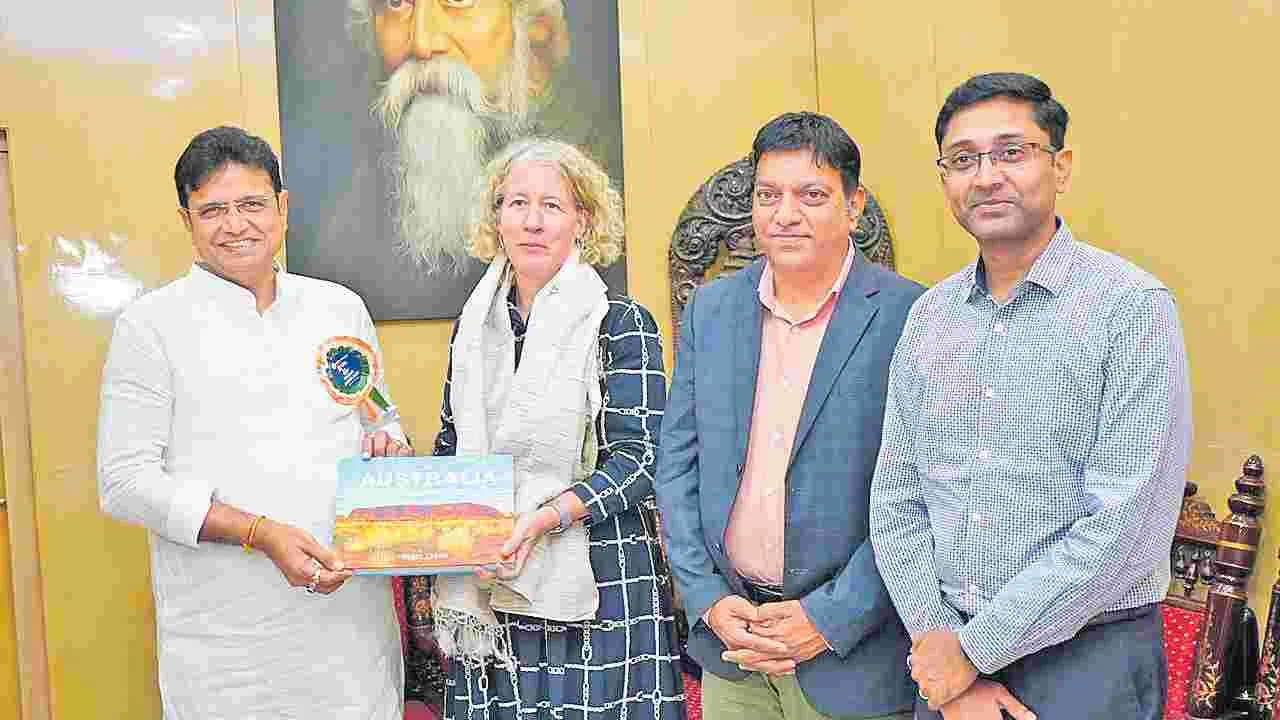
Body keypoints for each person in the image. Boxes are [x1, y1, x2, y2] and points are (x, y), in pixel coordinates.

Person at [870, 72, 1190, 720]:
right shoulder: (929, 318)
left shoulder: (1130, 309)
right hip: (944, 654)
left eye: (1011, 152)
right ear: (945, 180)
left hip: (1088, 661)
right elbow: (896, 502)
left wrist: (973, 651)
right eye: (964, 159)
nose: (986, 176)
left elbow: (1123, 522)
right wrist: (942, 649)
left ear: (1061, 166)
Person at [96, 126, 411, 719]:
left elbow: (381, 419)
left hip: (350, 636)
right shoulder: (150, 326)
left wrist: (390, 448)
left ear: (282, 208)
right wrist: (259, 532)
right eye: (213, 209)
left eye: (251, 204)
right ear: (187, 220)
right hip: (227, 645)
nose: (235, 224)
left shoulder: (339, 308)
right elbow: (125, 483)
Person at [655, 111, 925, 720]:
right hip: (735, 645)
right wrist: (706, 599)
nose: (785, 214)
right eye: (768, 195)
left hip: (852, 656)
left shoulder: (911, 315)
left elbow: (924, 498)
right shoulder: (711, 310)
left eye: (811, 195)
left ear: (853, 205)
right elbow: (676, 467)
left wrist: (828, 618)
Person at [410, 137, 685, 720]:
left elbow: (640, 460)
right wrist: (450, 531)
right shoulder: (471, 329)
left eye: (552, 206)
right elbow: (452, 446)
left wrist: (542, 518)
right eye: (517, 203)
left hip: (596, 580)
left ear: (582, 220)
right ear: (497, 219)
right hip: (488, 580)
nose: (533, 222)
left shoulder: (620, 322)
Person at [344, 0, 621, 270]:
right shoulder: (349, 213)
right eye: (396, 3)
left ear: (534, 26)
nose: (422, 43)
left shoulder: (606, 162)